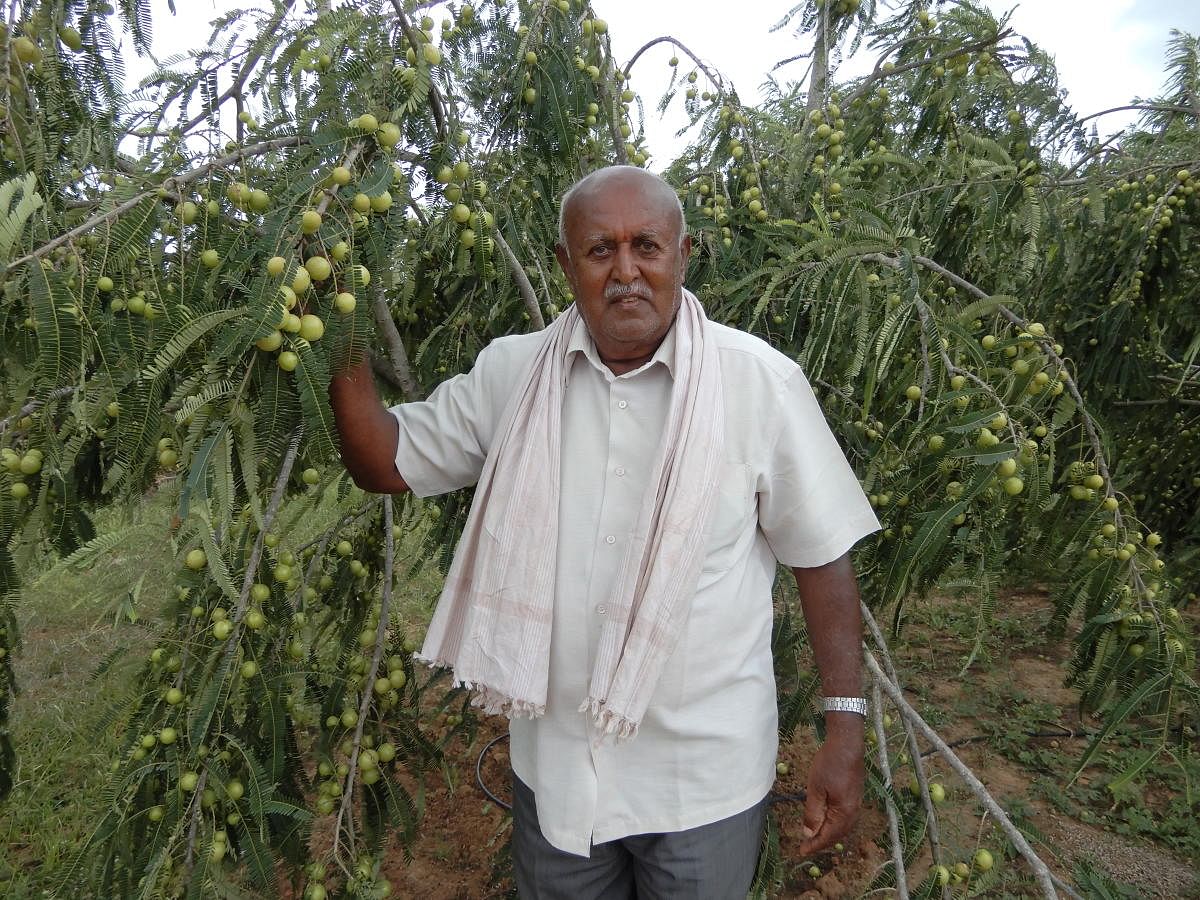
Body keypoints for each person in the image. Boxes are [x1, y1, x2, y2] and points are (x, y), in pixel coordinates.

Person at [329, 165, 880, 899]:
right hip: (556, 780)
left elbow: (822, 558)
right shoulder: (513, 377)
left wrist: (844, 730)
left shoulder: (759, 384)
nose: (626, 271)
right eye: (600, 250)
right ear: (565, 264)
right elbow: (385, 461)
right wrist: (338, 331)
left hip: (701, 784)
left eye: (647, 246)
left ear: (684, 255)